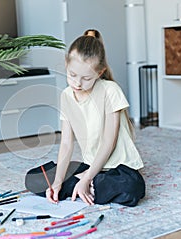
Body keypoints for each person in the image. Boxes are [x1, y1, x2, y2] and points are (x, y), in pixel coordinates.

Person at [25, 29, 145, 207]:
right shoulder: (66, 96)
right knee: (33, 179)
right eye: (72, 75)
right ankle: (87, 186)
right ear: (66, 64)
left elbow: (108, 143)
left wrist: (86, 177)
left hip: (118, 168)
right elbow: (66, 144)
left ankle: (83, 184)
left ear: (99, 72)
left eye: (86, 78)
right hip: (90, 165)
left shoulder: (110, 90)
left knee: (133, 188)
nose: (77, 84)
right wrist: (58, 181)